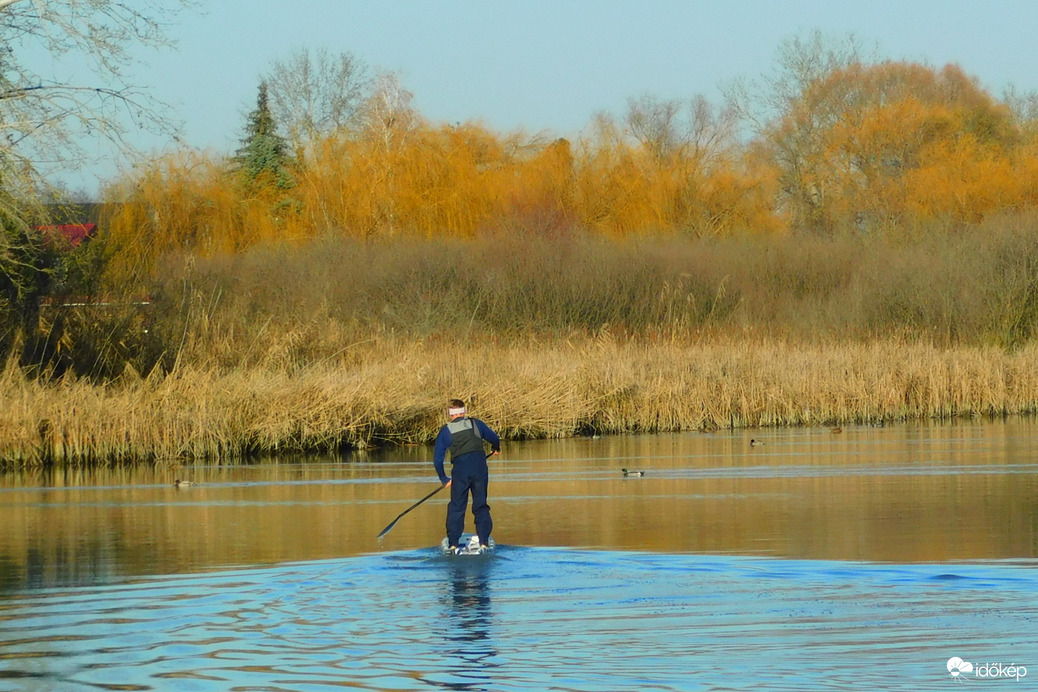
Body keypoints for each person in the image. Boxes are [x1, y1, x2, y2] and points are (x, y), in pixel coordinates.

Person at [433, 399, 500, 553]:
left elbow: (437, 460)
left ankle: (453, 544)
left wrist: (444, 479)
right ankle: (483, 542)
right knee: (480, 505)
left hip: (460, 473)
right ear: (464, 412)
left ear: (450, 415)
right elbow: (495, 438)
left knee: (456, 508)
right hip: (479, 470)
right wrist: (496, 448)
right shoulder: (476, 424)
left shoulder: (446, 431)